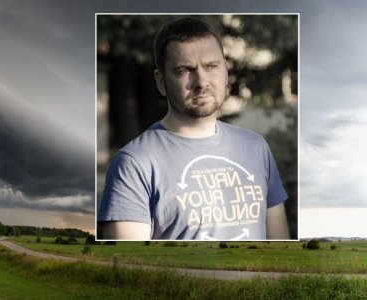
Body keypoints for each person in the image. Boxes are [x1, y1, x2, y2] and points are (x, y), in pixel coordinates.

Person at [97, 17, 289, 240]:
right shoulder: (134, 163)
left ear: (225, 71)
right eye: (184, 70)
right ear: (161, 81)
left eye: (211, 66)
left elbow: (280, 247)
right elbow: (130, 268)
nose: (201, 82)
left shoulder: (256, 147)